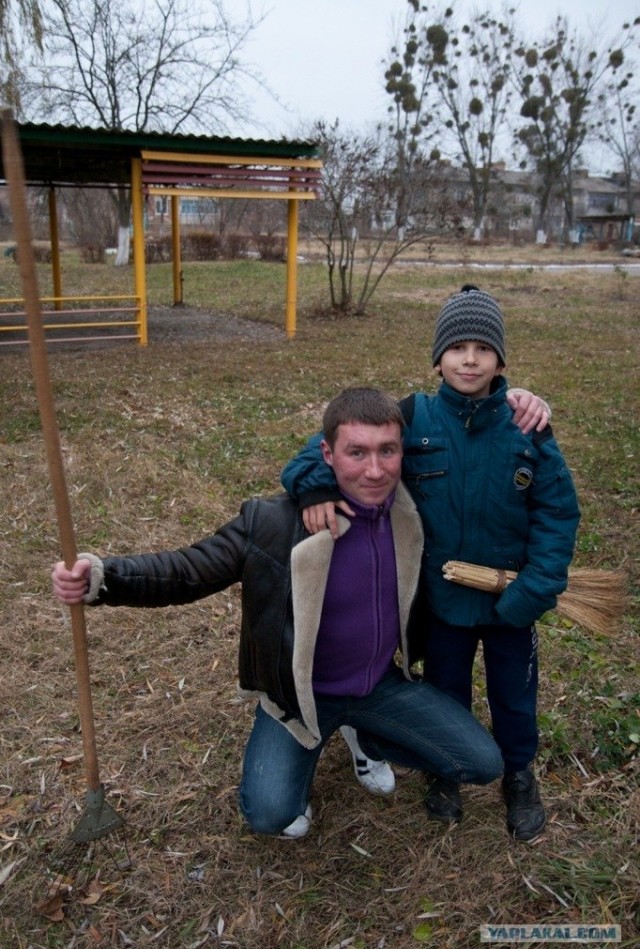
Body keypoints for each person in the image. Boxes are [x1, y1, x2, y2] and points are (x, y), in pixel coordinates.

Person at [52, 387, 504, 840]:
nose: (374, 470)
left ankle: (366, 736)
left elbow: (476, 452)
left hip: (379, 685)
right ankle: (310, 747)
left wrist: (515, 400)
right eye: (356, 452)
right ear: (326, 453)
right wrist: (104, 578)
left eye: (388, 451)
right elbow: (188, 570)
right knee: (270, 815)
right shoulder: (270, 524)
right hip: (300, 697)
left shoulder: (414, 513)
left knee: (482, 763)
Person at [281, 288, 581, 841]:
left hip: (512, 600)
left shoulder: (526, 427)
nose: (470, 359)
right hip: (442, 602)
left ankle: (519, 774)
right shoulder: (413, 418)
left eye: (483, 349)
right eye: (458, 347)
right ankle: (446, 772)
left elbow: (558, 512)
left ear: (501, 360)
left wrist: (534, 591)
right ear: (437, 357)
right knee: (446, 688)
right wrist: (312, 489)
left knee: (514, 695)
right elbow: (322, 450)